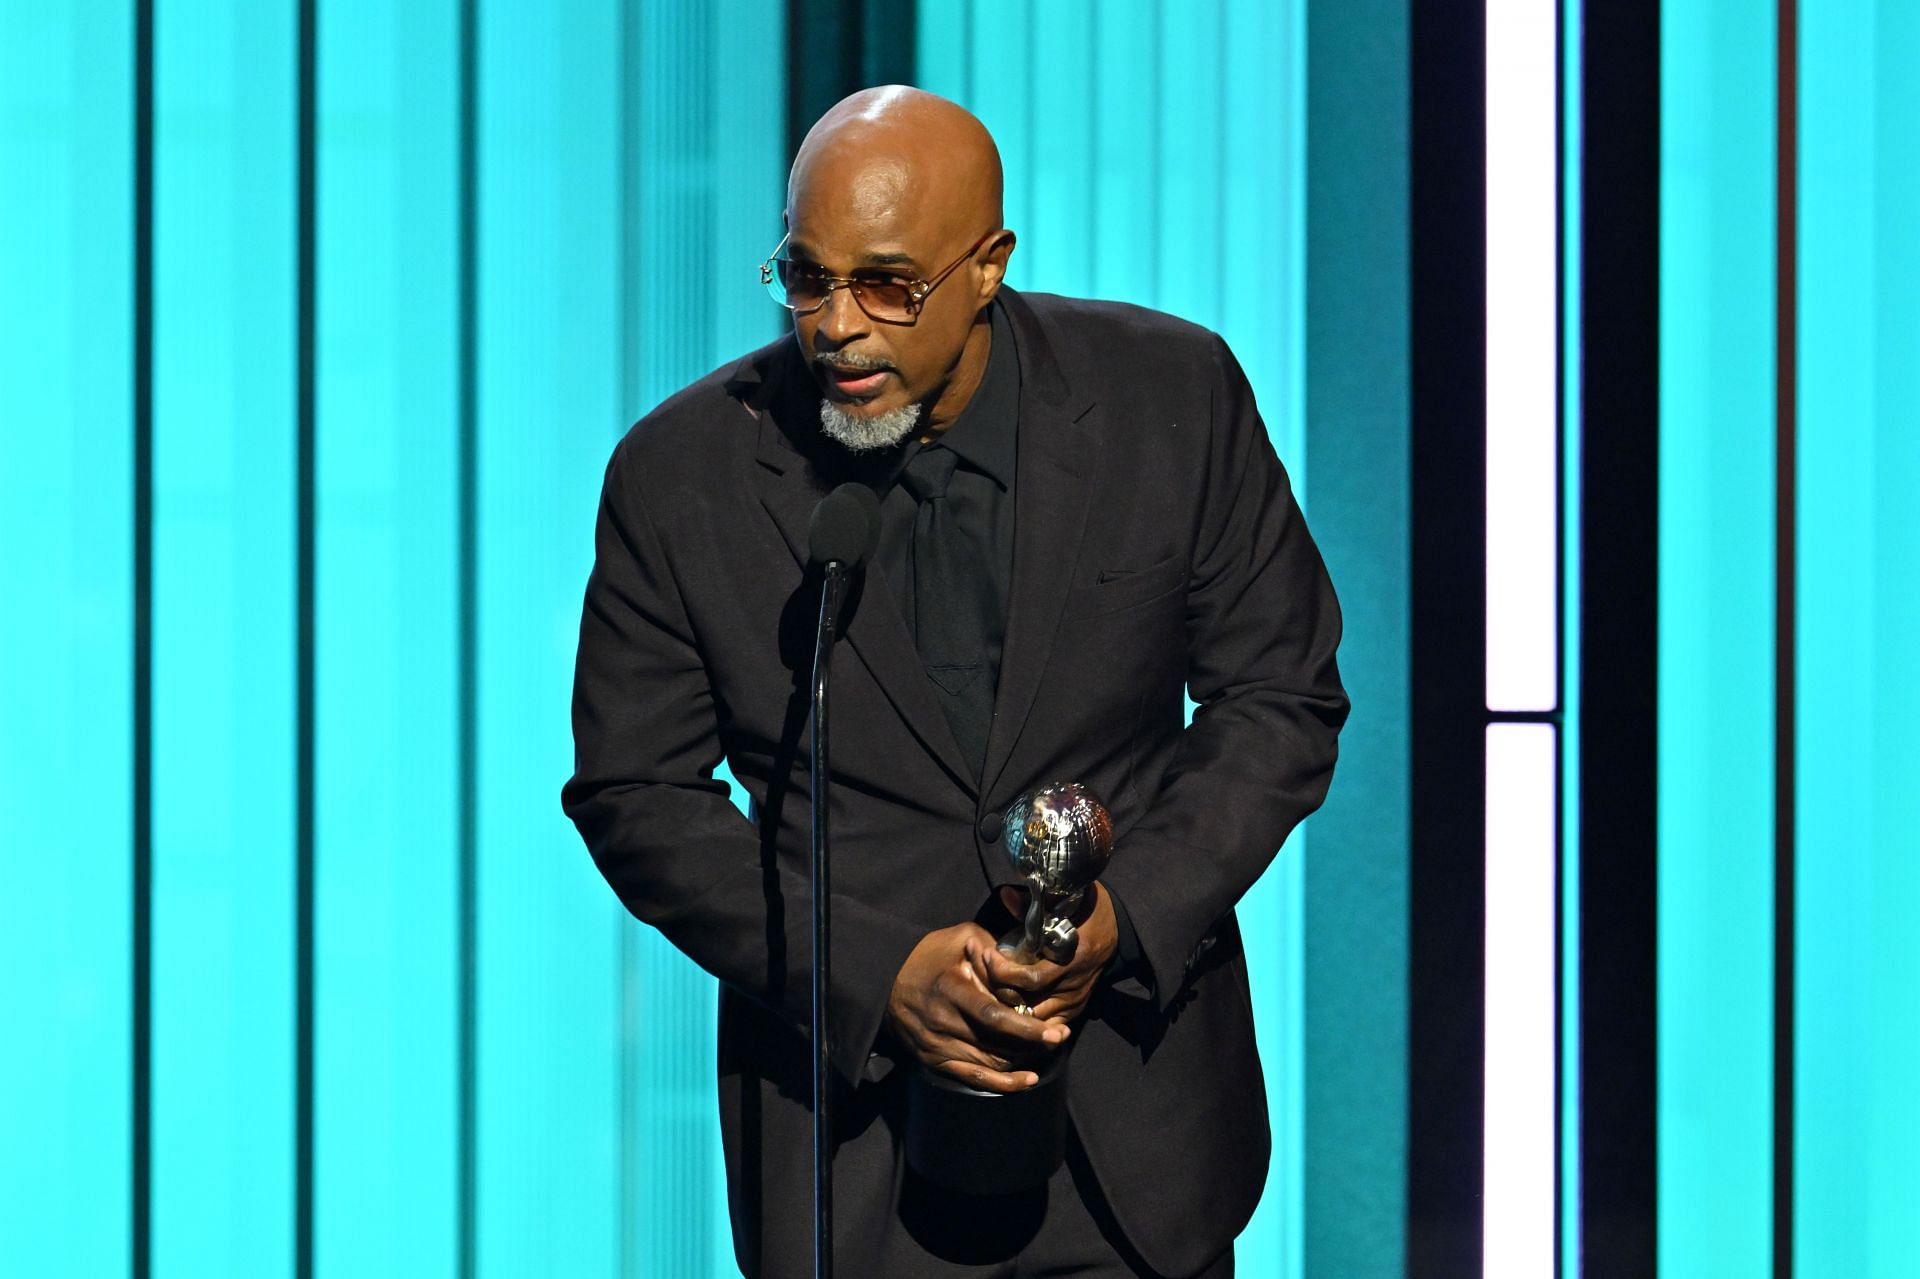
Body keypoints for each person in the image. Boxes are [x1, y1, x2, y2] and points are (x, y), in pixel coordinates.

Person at [562, 86, 1346, 1279]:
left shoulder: (1169, 399)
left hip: (1135, 1138)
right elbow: (636, 790)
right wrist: (874, 974)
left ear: (988, 267)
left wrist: (1124, 916)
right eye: (806, 278)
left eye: (888, 283)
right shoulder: (685, 475)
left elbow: (1279, 698)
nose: (836, 327)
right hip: (855, 1152)